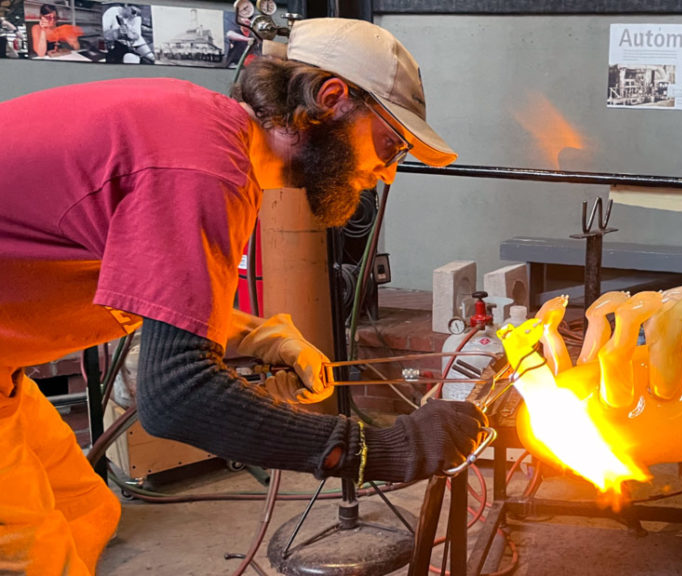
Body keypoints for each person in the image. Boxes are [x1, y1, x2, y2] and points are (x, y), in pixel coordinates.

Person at [0, 17, 486, 575]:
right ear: (331, 100)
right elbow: (177, 397)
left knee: (83, 508)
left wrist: (253, 334)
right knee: (33, 557)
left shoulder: (207, 138)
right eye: (389, 143)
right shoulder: (203, 165)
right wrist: (381, 450)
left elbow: (138, 288)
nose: (387, 172)